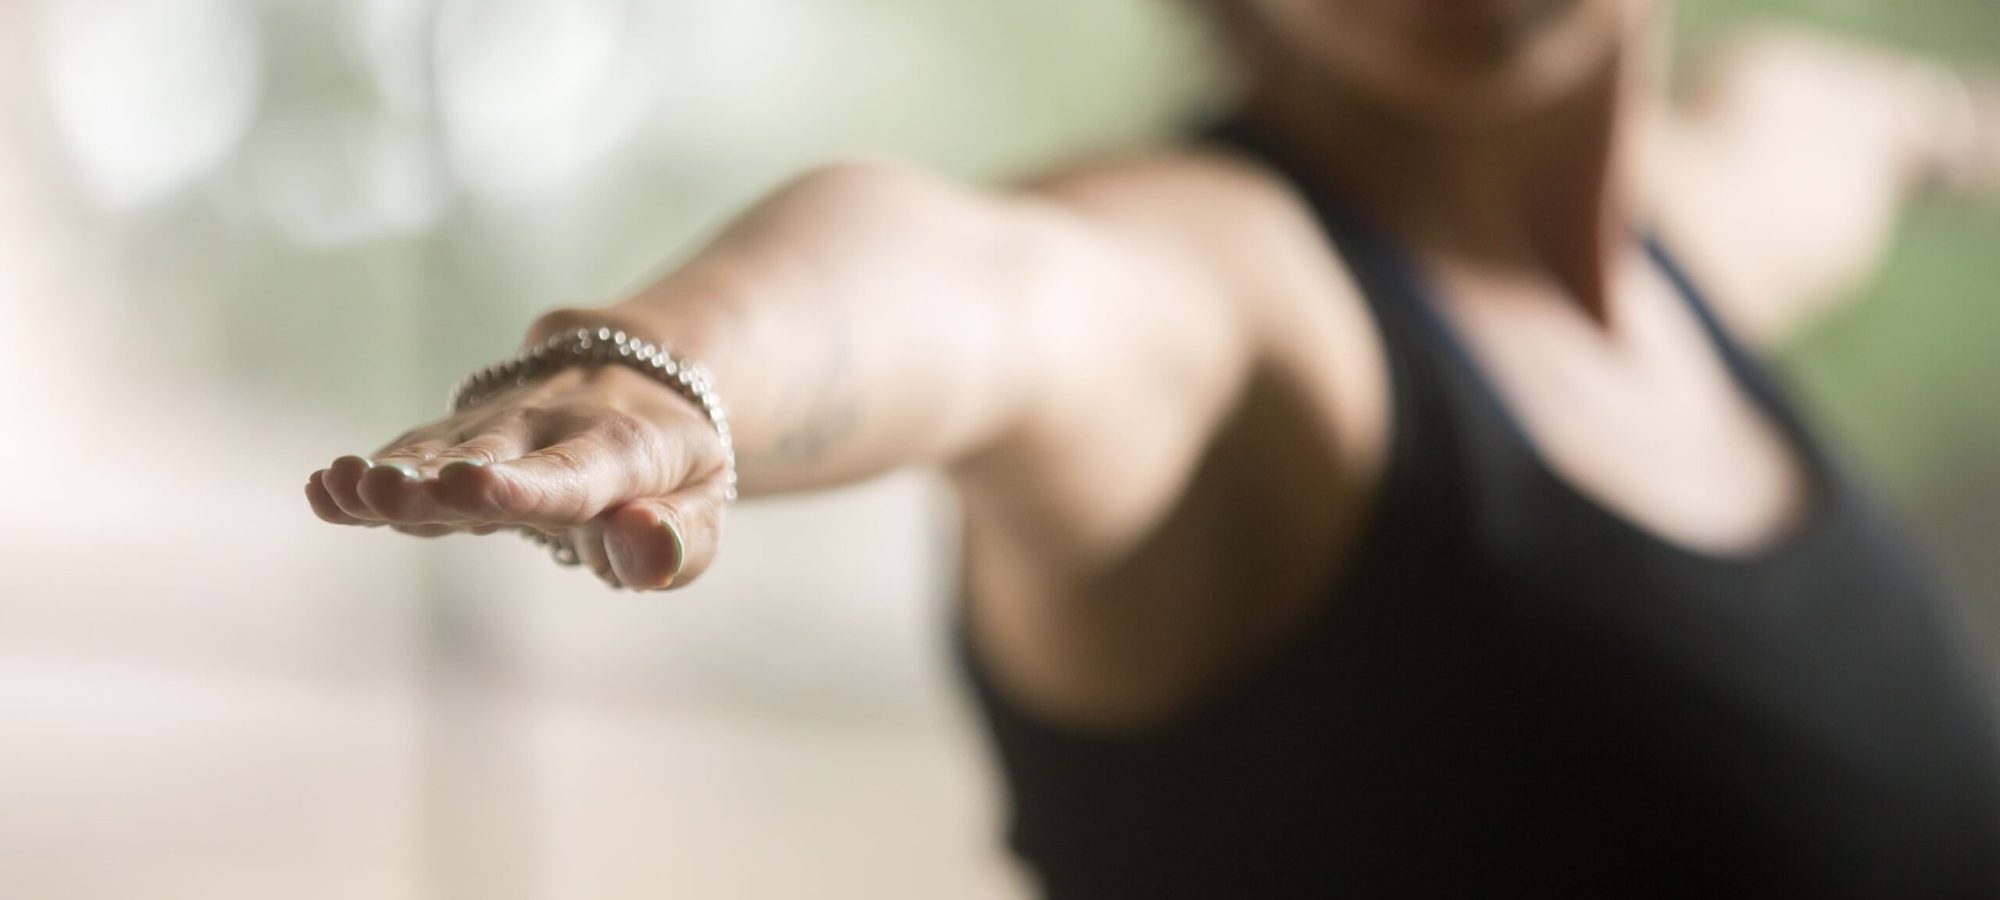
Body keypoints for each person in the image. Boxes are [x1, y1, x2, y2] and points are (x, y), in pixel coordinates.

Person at [308, 0, 2000, 895]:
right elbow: (977, 287)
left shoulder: (1696, 238)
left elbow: (1839, 117)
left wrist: (1944, 123)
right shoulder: (1231, 295)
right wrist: (670, 373)